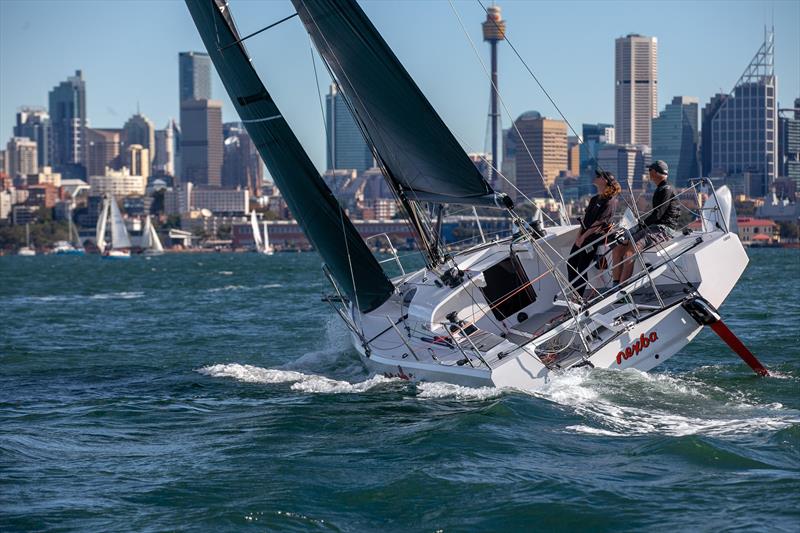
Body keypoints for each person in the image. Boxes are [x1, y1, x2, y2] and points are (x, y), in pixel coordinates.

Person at [612, 160, 681, 285]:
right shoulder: (660, 188)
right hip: (652, 228)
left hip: (663, 229)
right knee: (618, 249)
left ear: (655, 172)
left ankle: (621, 292)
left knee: (629, 253)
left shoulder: (666, 189)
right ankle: (615, 284)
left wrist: (637, 228)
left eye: (650, 170)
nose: (648, 173)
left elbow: (658, 214)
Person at [567, 170, 621, 298]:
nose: (595, 177)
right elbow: (585, 219)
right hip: (583, 237)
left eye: (598, 176)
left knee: (582, 267)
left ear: (605, 181)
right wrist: (579, 237)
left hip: (593, 239)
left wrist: (584, 237)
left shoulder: (609, 201)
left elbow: (599, 223)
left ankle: (578, 298)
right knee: (570, 263)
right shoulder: (595, 199)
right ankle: (575, 293)